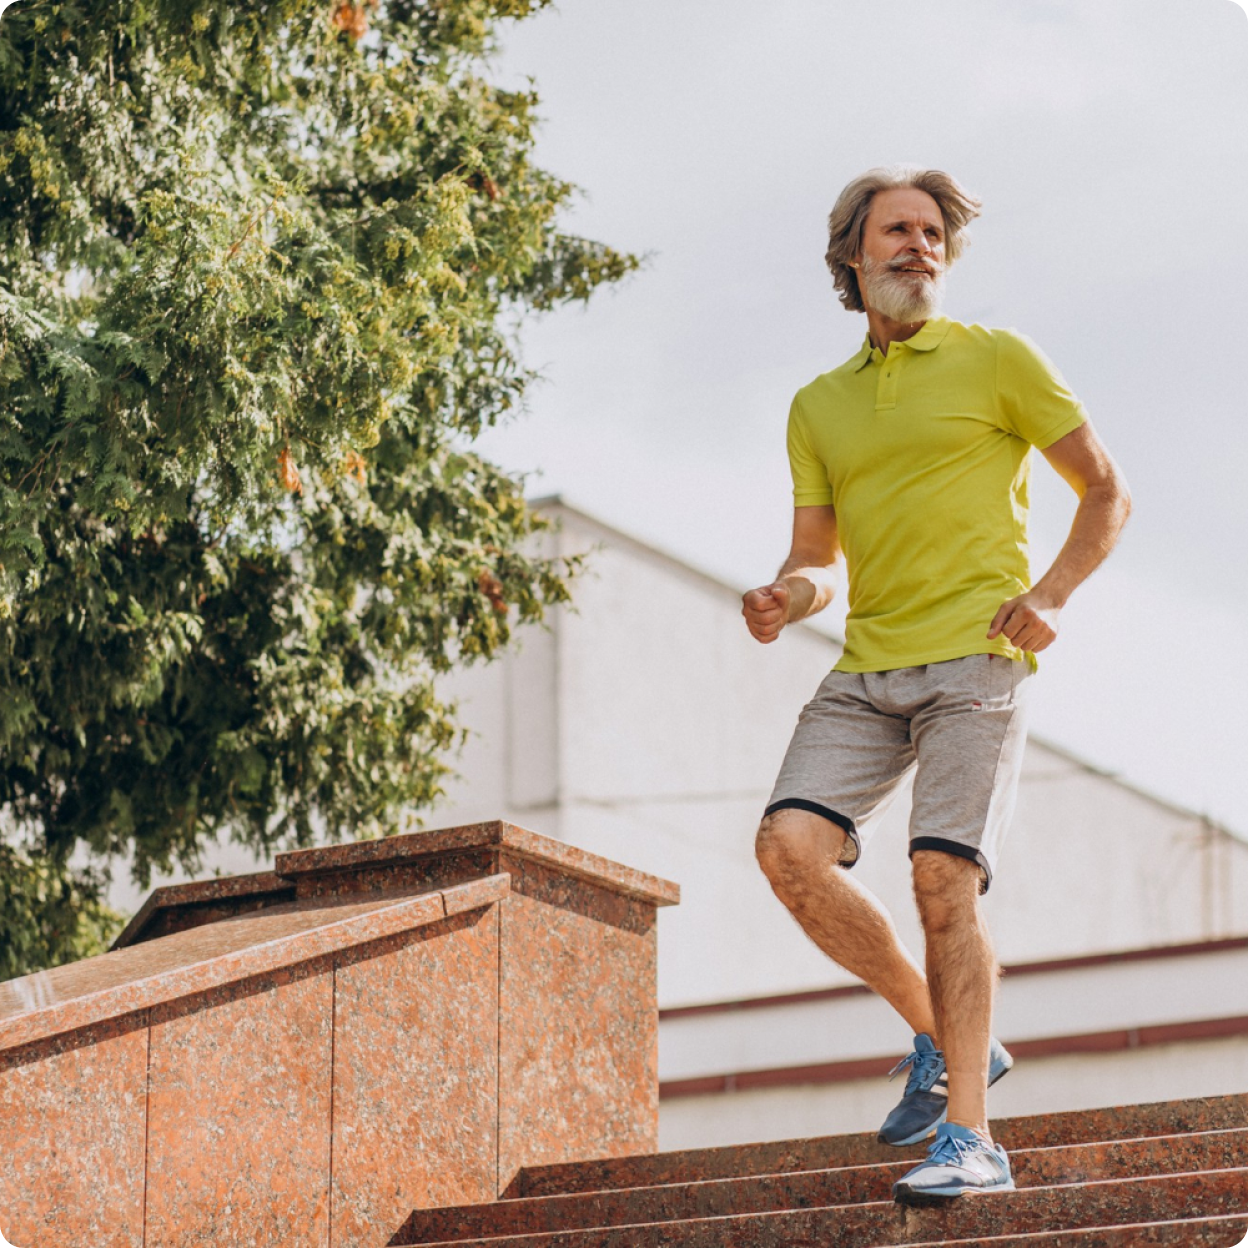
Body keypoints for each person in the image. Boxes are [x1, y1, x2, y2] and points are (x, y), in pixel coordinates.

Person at [742, 165, 1131, 1204]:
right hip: (867, 664)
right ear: (852, 255)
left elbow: (1106, 491)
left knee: (939, 878)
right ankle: (944, 1036)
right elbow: (819, 558)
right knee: (787, 849)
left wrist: (1051, 595)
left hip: (978, 657)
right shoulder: (818, 405)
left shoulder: (999, 359)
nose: (921, 246)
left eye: (933, 233)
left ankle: (972, 1140)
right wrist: (787, 594)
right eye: (898, 231)